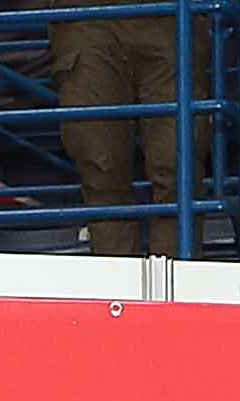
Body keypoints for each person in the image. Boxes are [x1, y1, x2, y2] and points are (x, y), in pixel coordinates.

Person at [45, 9, 193, 258]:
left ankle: (178, 276)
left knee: (179, 164)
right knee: (100, 165)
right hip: (87, 17)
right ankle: (117, 277)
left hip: (172, 15)